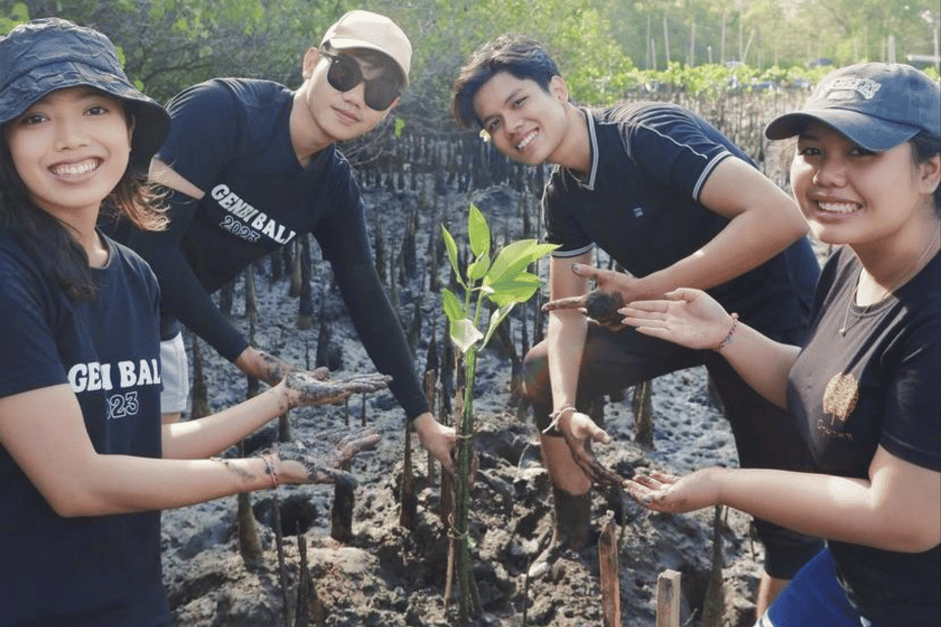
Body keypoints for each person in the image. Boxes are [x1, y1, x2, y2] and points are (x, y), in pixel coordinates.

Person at [0, 18, 393, 626]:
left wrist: (282, 400)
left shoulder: (131, 274)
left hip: (132, 601)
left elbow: (142, 449)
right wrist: (265, 470)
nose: (70, 140)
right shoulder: (11, 279)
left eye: (95, 111)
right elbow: (75, 482)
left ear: (131, 129)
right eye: (35, 118)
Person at [451, 34, 823, 610]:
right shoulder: (562, 198)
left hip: (767, 311)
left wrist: (648, 288)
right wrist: (566, 407)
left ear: (559, 89)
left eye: (519, 102)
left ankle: (782, 609)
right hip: (675, 311)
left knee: (785, 515)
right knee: (543, 371)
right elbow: (566, 320)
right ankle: (573, 532)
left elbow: (781, 217)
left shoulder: (644, 133)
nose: (512, 127)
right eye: (494, 123)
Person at [621, 62, 940, 626]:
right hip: (851, 571)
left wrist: (723, 485)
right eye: (814, 152)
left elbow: (904, 519)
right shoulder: (851, 258)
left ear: (929, 171)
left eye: (861, 154)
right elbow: (832, 390)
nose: (828, 176)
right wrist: (725, 334)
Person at [106, 10, 456, 473]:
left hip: (158, 329)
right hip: (89, 303)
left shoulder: (334, 189)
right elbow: (151, 248)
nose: (355, 97)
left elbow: (367, 301)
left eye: (379, 91)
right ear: (312, 62)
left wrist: (423, 417)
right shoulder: (222, 111)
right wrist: (246, 355)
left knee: (146, 487)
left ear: (389, 110)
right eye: (345, 73)